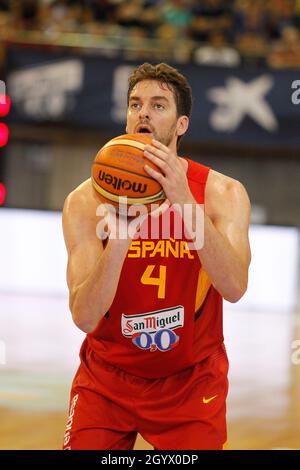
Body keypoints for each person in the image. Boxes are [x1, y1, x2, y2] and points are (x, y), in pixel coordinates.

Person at [62, 62, 251, 450]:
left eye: (158, 105)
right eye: (135, 104)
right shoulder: (84, 201)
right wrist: (118, 240)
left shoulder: (222, 194)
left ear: (182, 124)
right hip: (107, 380)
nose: (143, 112)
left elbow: (233, 287)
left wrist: (183, 202)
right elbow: (84, 316)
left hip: (191, 380)